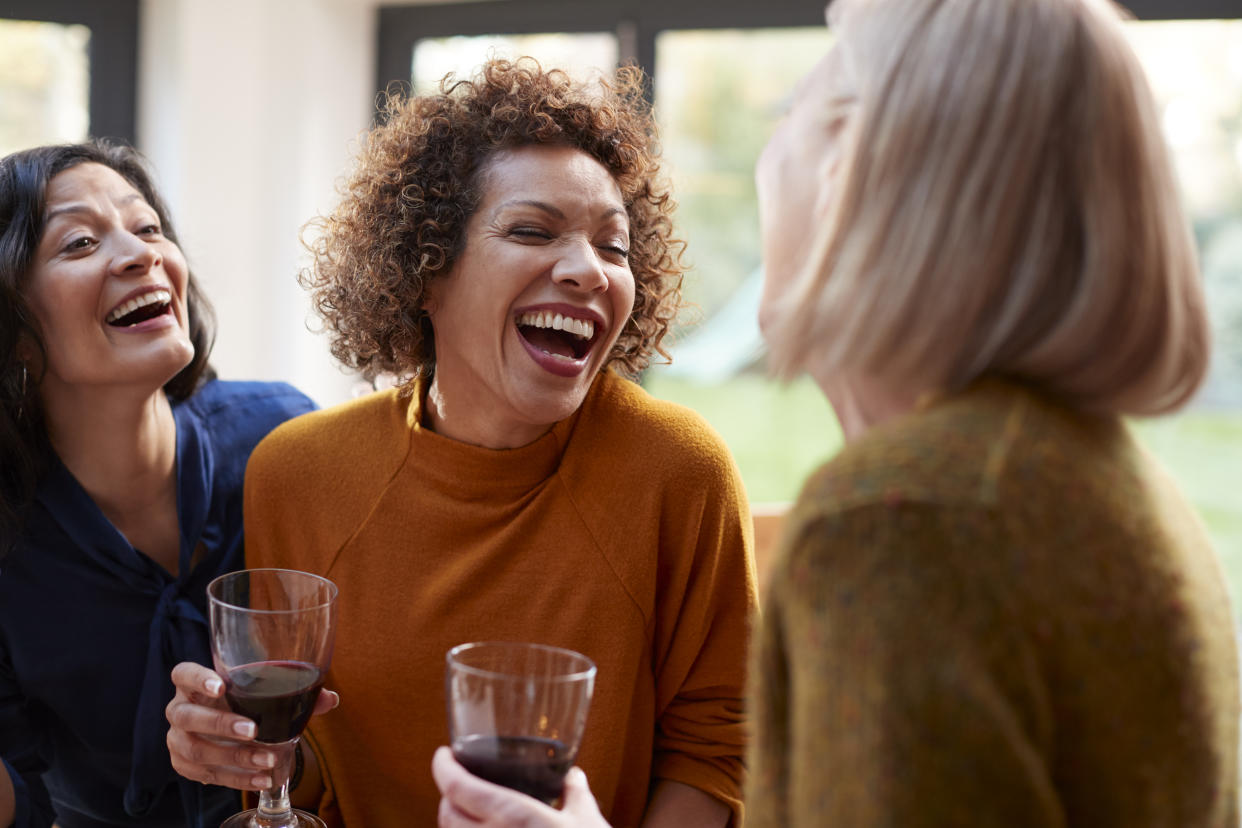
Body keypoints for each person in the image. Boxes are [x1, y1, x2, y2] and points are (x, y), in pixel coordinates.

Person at [165, 58, 757, 827]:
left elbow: (719, 747)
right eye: (532, 230)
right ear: (425, 272)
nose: (588, 269)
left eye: (614, 246)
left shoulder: (678, 469)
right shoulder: (297, 472)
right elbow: (319, 757)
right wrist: (249, 750)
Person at [743, 0, 1240, 825]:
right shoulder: (1101, 484)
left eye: (795, 105)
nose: (770, 148)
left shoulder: (905, 520)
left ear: (860, 168)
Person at [0, 141, 316, 828]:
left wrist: (292, 756)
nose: (143, 254)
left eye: (147, 228)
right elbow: (22, 800)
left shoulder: (284, 442)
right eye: (80, 242)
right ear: (15, 332)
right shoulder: (8, 531)